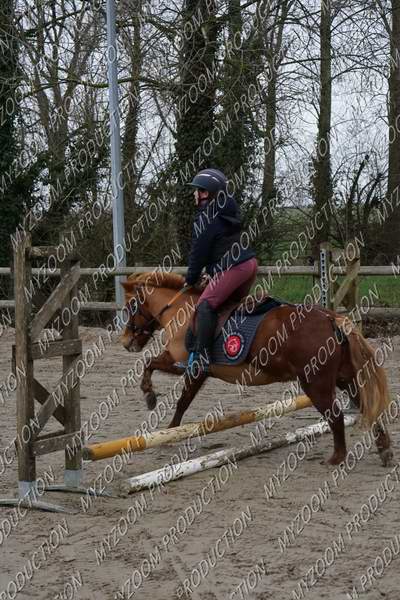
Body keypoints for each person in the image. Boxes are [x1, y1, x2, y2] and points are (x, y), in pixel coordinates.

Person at [184, 168, 258, 374]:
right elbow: (222, 245)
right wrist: (214, 270)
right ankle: (232, 346)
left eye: (197, 190)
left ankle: (202, 359)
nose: (194, 194)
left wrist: (190, 279)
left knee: (205, 306)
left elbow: (198, 253)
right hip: (249, 264)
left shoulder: (205, 217)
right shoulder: (226, 211)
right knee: (227, 306)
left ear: (205, 193)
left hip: (235, 268)